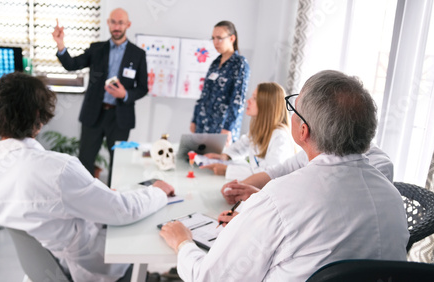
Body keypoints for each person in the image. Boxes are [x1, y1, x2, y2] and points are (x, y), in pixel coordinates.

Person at [159, 70, 409, 281]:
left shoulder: (278, 200)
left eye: (293, 108)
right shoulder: (392, 197)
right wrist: (255, 218)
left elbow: (210, 277)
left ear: (303, 130)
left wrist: (182, 242)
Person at [0, 72, 175, 282]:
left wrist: (97, 196)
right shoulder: (58, 169)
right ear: (38, 117)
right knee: (143, 233)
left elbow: (37, 210)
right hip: (86, 267)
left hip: (41, 270)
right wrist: (158, 191)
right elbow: (123, 211)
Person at [52, 8, 148, 185]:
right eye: (113, 22)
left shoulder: (138, 54)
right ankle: (84, 196)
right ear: (108, 23)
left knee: (119, 163)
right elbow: (72, 64)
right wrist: (60, 44)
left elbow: (143, 88)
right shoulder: (96, 49)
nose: (117, 26)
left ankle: (113, 199)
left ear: (128, 25)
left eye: (120, 22)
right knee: (85, 160)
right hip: (94, 113)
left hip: (120, 117)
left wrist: (125, 94)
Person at [221, 143, 394, 204]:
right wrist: (239, 187)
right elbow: (276, 172)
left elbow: (326, 203)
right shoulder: (318, 149)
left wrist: (263, 202)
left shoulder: (378, 166)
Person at [200, 82, 295, 180]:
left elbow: (270, 174)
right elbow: (240, 147)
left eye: (254, 98)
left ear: (267, 105)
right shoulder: (259, 130)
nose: (248, 101)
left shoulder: (280, 137)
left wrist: (226, 170)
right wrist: (224, 156)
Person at [190, 20, 250, 145]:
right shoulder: (215, 63)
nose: (215, 42)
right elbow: (204, 94)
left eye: (219, 38)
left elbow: (238, 100)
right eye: (213, 38)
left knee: (215, 163)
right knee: (198, 161)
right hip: (203, 125)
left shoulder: (240, 64)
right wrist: (195, 119)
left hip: (222, 128)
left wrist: (228, 128)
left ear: (232, 38)